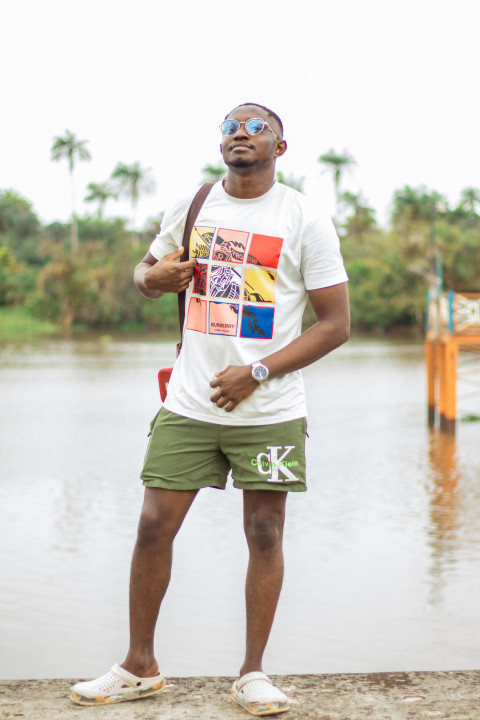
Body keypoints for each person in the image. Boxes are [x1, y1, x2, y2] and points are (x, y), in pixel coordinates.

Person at [70, 102, 350, 716]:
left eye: (256, 128)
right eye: (231, 126)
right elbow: (146, 269)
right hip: (190, 402)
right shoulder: (195, 206)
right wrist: (152, 279)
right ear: (219, 142)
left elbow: (336, 325)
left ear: (281, 146)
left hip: (268, 407)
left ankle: (252, 674)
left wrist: (257, 372)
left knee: (265, 532)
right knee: (151, 526)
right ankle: (139, 665)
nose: (241, 134)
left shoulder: (304, 217)